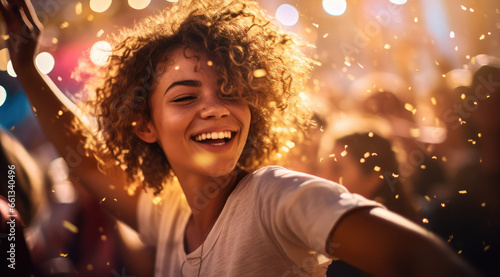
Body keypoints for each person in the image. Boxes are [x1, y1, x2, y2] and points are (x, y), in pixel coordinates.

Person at [1, 0, 480, 276]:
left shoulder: (279, 196)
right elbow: (87, 162)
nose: (216, 106)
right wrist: (27, 66)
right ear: (144, 125)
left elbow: (417, 260)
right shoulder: (170, 214)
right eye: (185, 97)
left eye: (231, 90)